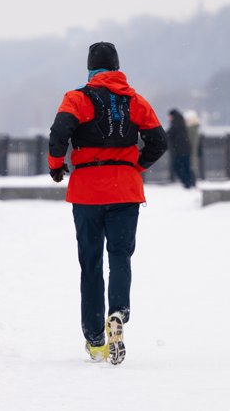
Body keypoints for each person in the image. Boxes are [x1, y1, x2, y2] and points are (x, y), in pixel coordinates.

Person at [48, 42, 168, 365]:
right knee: (120, 258)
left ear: (90, 68)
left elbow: (59, 133)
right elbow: (159, 141)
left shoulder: (77, 99)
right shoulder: (134, 101)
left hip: (87, 192)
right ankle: (117, 313)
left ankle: (95, 338)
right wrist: (134, 166)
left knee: (90, 264)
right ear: (116, 67)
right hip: (125, 193)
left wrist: (56, 165)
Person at [167, 109, 196, 188]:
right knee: (186, 167)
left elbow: (170, 134)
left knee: (177, 166)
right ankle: (191, 182)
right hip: (185, 149)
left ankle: (187, 182)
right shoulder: (181, 122)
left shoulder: (176, 123)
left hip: (180, 150)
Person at [184, 110, 201, 180]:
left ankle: (191, 182)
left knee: (191, 167)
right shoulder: (195, 129)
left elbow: (192, 142)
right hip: (193, 152)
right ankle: (192, 181)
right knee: (193, 167)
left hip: (190, 152)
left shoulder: (190, 129)